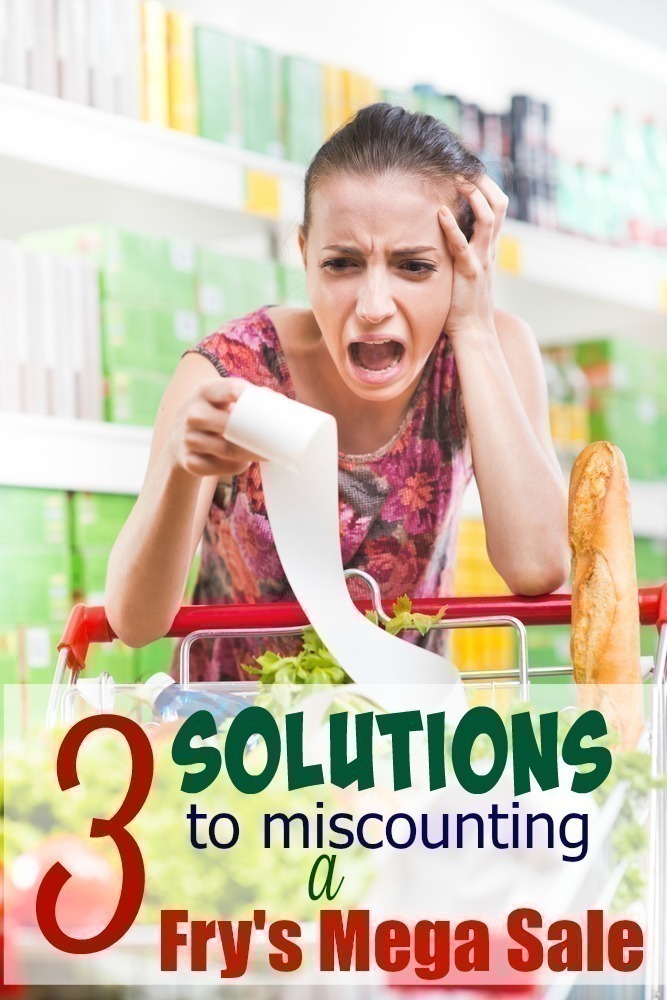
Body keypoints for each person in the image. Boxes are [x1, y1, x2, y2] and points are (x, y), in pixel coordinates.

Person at [105, 103, 570, 682]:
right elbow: (133, 621)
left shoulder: (489, 349)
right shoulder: (226, 373)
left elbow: (538, 567)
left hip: (401, 744)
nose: (373, 306)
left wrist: (473, 327)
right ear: (304, 255)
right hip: (241, 749)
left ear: (462, 261)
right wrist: (180, 463)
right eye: (342, 263)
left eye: (415, 266)